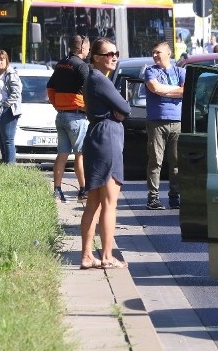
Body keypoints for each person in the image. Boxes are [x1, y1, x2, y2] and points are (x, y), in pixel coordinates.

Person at [80, 38, 132, 270]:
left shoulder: (94, 79)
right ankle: (107, 257)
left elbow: (120, 110)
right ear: (96, 58)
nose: (114, 57)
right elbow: (126, 108)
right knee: (109, 203)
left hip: (96, 137)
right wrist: (117, 112)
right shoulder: (100, 79)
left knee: (94, 203)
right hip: (106, 138)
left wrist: (117, 111)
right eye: (109, 54)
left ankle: (87, 256)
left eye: (116, 53)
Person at [47, 35, 90, 203]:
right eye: (87, 48)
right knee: (80, 155)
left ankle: (57, 190)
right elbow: (91, 89)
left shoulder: (60, 64)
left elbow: (50, 87)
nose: (88, 52)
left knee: (62, 154)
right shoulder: (82, 66)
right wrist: (87, 107)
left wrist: (56, 104)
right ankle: (83, 190)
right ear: (81, 49)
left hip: (61, 115)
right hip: (77, 116)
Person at [144, 42, 186, 210]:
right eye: (153, 52)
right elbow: (154, 88)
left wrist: (164, 90)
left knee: (176, 162)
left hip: (177, 121)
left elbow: (186, 90)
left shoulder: (181, 71)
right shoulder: (150, 71)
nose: (155, 55)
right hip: (156, 121)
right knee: (155, 161)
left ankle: (174, 197)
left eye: (158, 52)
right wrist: (174, 90)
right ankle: (153, 198)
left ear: (169, 53)